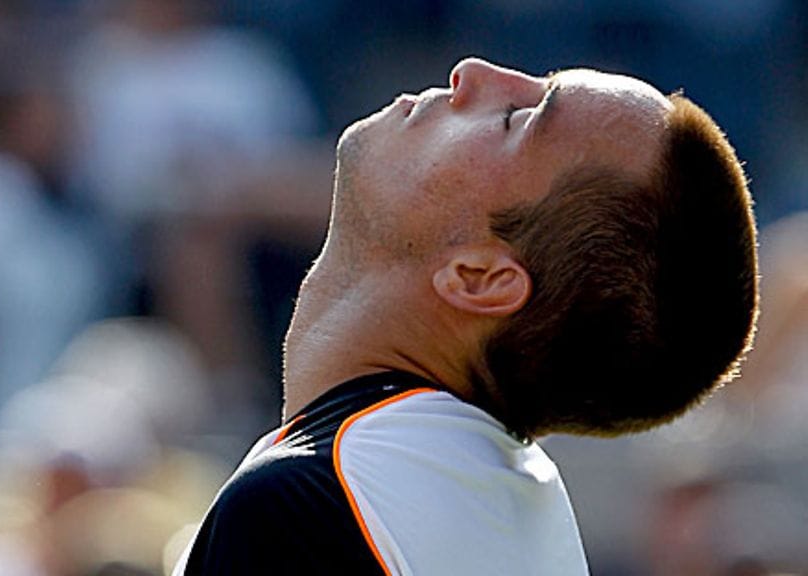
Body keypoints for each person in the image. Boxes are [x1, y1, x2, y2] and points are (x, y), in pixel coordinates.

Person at [171, 57, 758, 575]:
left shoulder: (305, 509)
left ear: (480, 278)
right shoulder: (498, 506)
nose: (473, 72)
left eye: (516, 120)